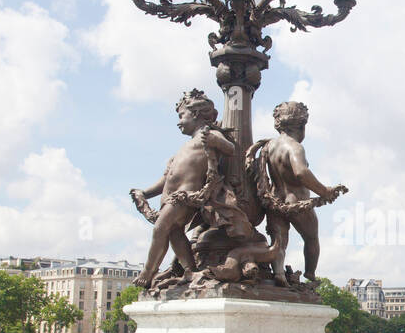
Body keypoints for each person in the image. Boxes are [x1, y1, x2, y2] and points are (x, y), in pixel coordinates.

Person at [131, 90, 236, 289]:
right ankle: (190, 270)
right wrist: (145, 193)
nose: (179, 121)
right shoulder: (185, 147)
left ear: (195, 114)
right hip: (170, 198)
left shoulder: (208, 135)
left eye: (182, 115)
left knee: (160, 229)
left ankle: (148, 271)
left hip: (184, 198)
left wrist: (215, 141)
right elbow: (165, 179)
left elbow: (230, 148)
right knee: (174, 233)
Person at [246, 102, 347, 286]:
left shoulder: (269, 146)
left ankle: (278, 273)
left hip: (275, 199)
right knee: (311, 238)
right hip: (296, 200)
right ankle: (310, 275)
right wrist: (324, 191)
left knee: (280, 240)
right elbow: (300, 172)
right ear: (301, 126)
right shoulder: (294, 147)